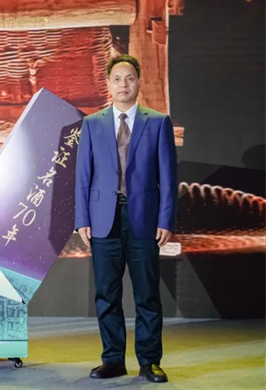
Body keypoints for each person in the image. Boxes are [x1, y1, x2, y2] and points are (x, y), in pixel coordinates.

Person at [74, 54, 177, 383]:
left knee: (147, 294)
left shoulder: (157, 122)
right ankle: (113, 360)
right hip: (103, 217)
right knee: (107, 294)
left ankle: (149, 361)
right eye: (117, 79)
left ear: (139, 82)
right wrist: (82, 218)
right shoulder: (92, 124)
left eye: (129, 78)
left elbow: (168, 177)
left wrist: (166, 219)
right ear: (108, 83)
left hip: (144, 218)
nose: (123, 84)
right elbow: (83, 175)